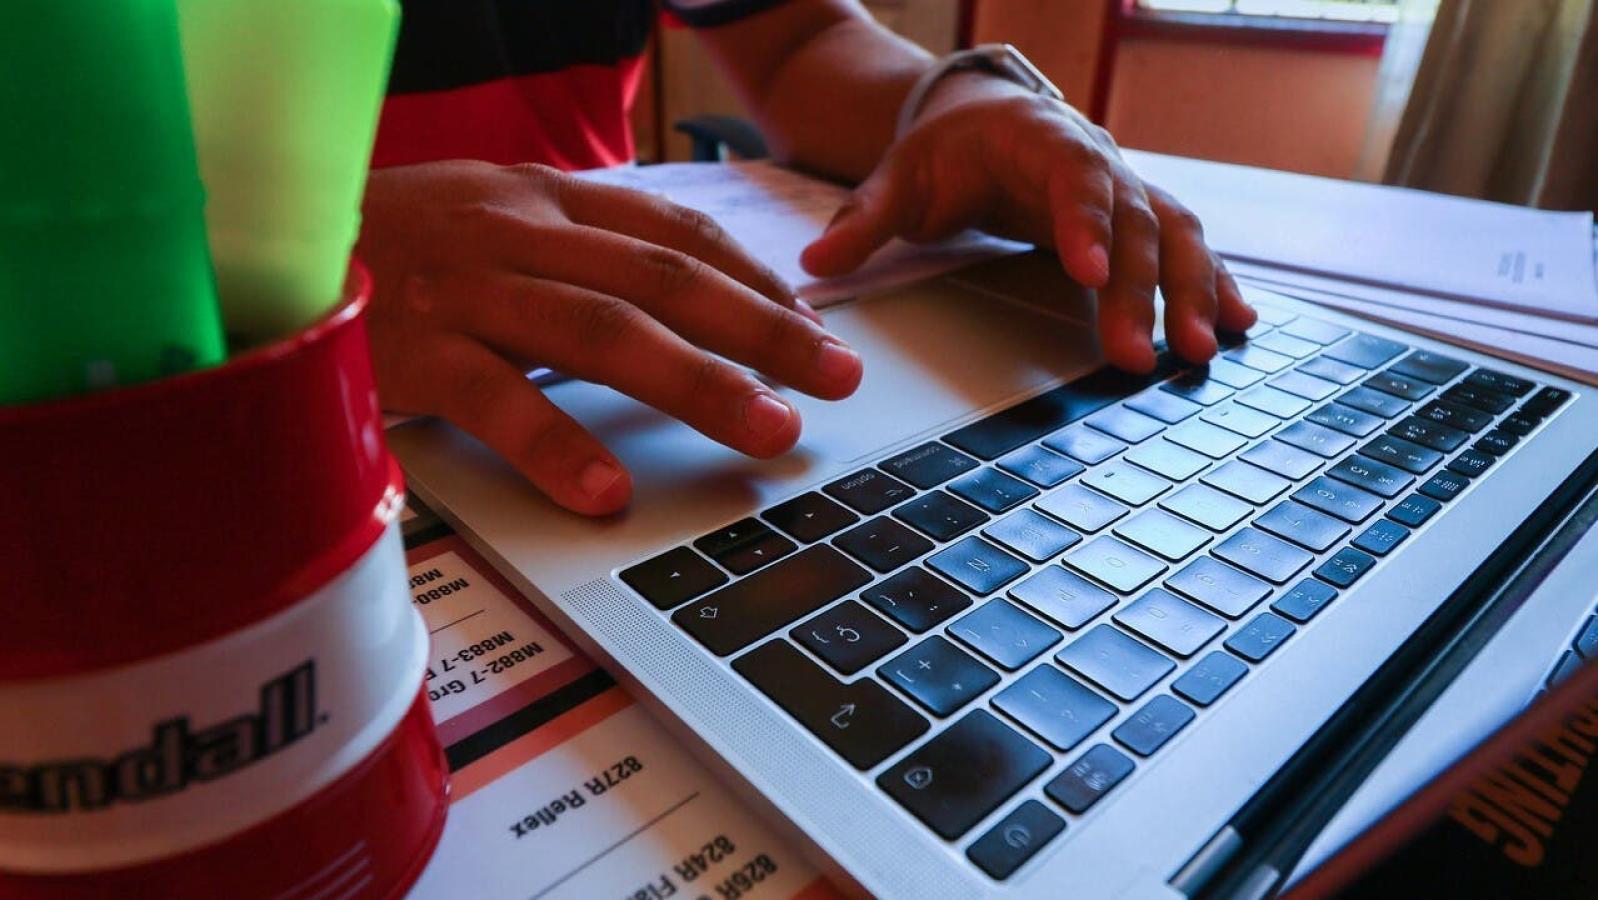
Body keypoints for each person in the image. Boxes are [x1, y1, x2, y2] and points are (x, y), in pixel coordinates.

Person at [356, 0, 1257, 517]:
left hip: (622, 341)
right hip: (326, 396)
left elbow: (799, 36)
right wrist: (320, 257)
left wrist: (957, 98)